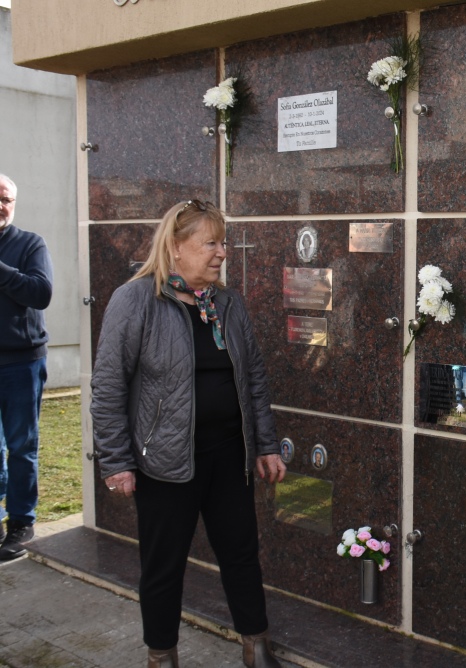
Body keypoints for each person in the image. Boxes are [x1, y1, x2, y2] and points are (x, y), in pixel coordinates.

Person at [91, 200, 286, 668]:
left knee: (241, 554)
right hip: (164, 462)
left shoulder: (227, 304)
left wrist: (264, 444)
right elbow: (108, 385)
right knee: (164, 566)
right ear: (176, 248)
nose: (222, 253)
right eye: (211, 243)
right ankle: (162, 656)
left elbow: (253, 378)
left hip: (227, 455)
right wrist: (115, 461)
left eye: (223, 242)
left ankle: (255, 646)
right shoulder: (134, 300)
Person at [0, 174, 53, 562]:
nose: (0, 206)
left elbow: (40, 292)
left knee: (21, 448)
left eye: (5, 199)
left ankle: (21, 521)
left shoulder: (30, 243)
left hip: (21, 363)